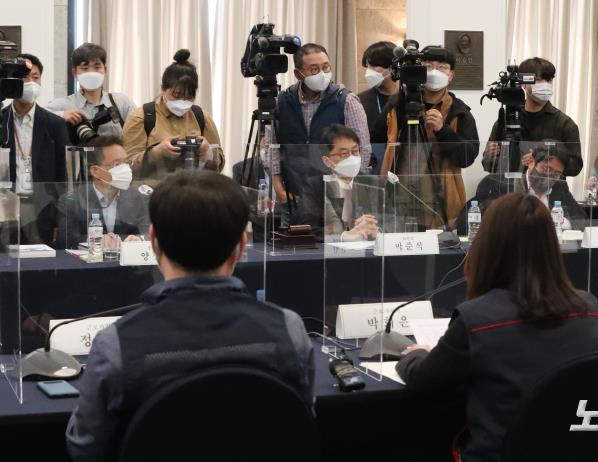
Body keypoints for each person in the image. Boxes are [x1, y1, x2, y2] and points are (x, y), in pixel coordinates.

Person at [65, 170, 314, 460]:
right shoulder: (289, 330)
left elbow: (84, 448)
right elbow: (302, 424)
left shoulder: (116, 345)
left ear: (154, 243)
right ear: (241, 246)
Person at [396, 192, 598, 462]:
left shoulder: (476, 319)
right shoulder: (589, 309)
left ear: (487, 247)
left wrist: (414, 353)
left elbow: (425, 381)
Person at [372, 45, 480, 229]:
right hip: (399, 197)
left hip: (440, 203)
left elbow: (467, 157)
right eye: (428, 66)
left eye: (442, 67)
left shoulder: (459, 111)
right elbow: (376, 140)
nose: (434, 72)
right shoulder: (398, 106)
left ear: (451, 75)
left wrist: (443, 130)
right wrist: (400, 100)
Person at [269, 43, 371, 210]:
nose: (322, 74)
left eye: (326, 67)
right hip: (293, 195)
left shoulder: (346, 101)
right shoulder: (282, 101)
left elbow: (362, 149)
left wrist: (353, 187)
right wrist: (278, 186)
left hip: (337, 195)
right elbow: (272, 147)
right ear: (298, 74)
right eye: (314, 70)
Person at [122, 49, 224, 183]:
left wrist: (208, 152)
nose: (182, 101)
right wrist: (156, 152)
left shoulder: (202, 117)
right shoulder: (141, 117)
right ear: (163, 88)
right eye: (176, 95)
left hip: (193, 190)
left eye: (189, 97)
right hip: (152, 191)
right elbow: (125, 166)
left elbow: (220, 163)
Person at [0, 53, 69, 244]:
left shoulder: (55, 124)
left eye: (35, 77)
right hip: (6, 208)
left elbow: (62, 175)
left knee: (40, 259)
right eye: (23, 77)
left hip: (42, 208)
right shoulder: (2, 120)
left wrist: (59, 218)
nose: (30, 82)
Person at [483, 57, 582, 177]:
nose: (545, 85)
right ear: (523, 83)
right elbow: (488, 165)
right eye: (538, 80)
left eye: (549, 80)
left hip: (549, 186)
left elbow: (576, 166)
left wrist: (546, 160)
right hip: (511, 186)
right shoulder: (507, 120)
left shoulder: (564, 124)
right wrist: (489, 157)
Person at [459, 143, 586, 233]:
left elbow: (582, 220)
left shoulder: (559, 187)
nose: (550, 176)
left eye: (557, 173)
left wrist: (560, 222)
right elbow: (465, 222)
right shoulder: (499, 184)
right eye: (547, 169)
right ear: (531, 163)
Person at [56, 135, 150, 249]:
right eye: (117, 164)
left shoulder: (138, 198)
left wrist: (140, 239)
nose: (125, 169)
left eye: (126, 163)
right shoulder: (72, 201)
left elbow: (148, 232)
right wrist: (95, 241)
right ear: (95, 171)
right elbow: (66, 240)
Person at [292, 124, 378, 240]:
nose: (351, 158)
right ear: (327, 161)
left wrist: (376, 229)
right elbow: (304, 226)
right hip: (330, 249)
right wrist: (343, 236)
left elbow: (391, 219)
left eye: (355, 151)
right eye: (344, 154)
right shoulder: (315, 186)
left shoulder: (371, 183)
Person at [46, 42, 136, 143]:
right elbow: (36, 118)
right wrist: (62, 115)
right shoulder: (63, 105)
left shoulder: (120, 102)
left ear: (105, 70)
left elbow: (138, 132)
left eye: (97, 67)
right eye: (85, 68)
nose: (91, 73)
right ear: (75, 73)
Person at [358, 41, 399, 141]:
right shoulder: (360, 100)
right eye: (367, 66)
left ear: (392, 67)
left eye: (374, 66)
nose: (369, 72)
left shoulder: (407, 98)